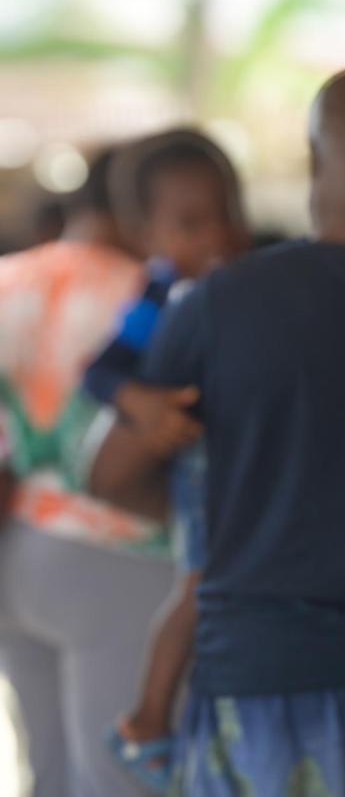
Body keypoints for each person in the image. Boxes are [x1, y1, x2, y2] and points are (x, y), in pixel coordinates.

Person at [89, 66, 345, 796]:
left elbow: (108, 473)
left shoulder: (218, 302)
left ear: (312, 156)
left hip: (251, 674)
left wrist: (211, 518)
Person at [0, 148, 174, 797]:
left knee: (43, 767)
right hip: (115, 553)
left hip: (11, 548)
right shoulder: (143, 296)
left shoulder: (8, 278)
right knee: (112, 776)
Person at [81, 129, 247, 792]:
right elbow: (100, 370)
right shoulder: (159, 296)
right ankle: (146, 721)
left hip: (225, 465)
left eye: (226, 213)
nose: (215, 236)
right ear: (144, 233)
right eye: (189, 223)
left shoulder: (241, 280)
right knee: (197, 588)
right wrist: (140, 402)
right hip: (193, 464)